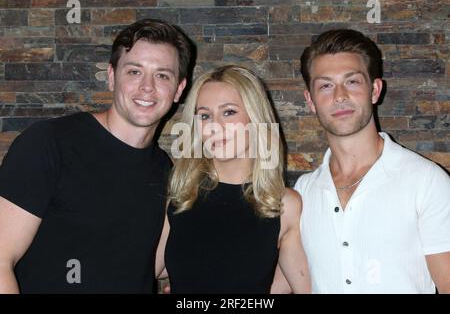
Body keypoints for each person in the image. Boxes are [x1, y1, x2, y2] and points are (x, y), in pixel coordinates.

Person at [0, 18, 192, 293]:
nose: (147, 87)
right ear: (112, 76)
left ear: (179, 89)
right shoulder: (49, 143)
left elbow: (150, 265)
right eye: (134, 72)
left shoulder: (165, 170)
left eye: (162, 75)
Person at [273, 29, 450, 293]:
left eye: (352, 82)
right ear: (310, 100)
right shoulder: (303, 193)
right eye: (325, 85)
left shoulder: (425, 181)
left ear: (375, 90)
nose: (340, 95)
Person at [154, 65, 311, 294]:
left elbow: (303, 287)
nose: (215, 126)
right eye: (205, 116)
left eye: (228, 112)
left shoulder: (284, 204)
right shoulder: (182, 195)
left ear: (254, 118)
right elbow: (148, 271)